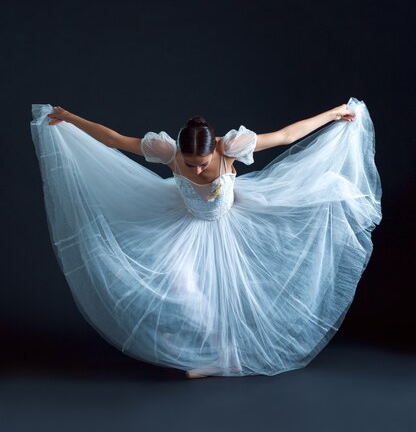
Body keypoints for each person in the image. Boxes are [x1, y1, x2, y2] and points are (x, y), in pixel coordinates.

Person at [30, 97, 382, 379]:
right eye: (190, 164)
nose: (196, 170)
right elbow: (115, 140)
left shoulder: (230, 148)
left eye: (201, 164)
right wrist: (70, 118)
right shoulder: (168, 152)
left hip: (230, 225)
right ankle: (208, 346)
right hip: (182, 225)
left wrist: (335, 114)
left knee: (229, 289)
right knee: (181, 289)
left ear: (213, 149)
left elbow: (286, 135)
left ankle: (222, 357)